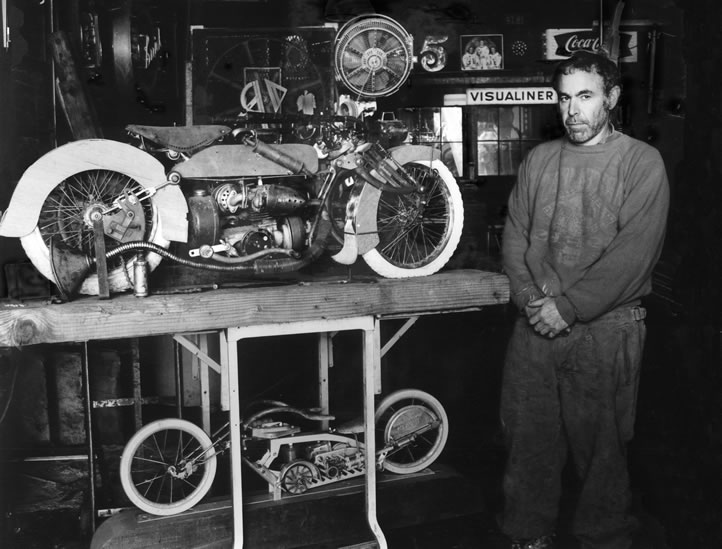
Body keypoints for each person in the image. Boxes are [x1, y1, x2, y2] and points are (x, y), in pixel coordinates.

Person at [500, 50, 670, 549]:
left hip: (606, 328)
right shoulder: (540, 160)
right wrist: (530, 299)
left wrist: (569, 308)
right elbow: (515, 236)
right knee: (527, 443)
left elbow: (633, 255)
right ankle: (528, 537)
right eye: (563, 98)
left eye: (585, 96)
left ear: (611, 98)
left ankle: (605, 541)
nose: (572, 110)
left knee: (603, 454)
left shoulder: (641, 162)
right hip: (536, 323)